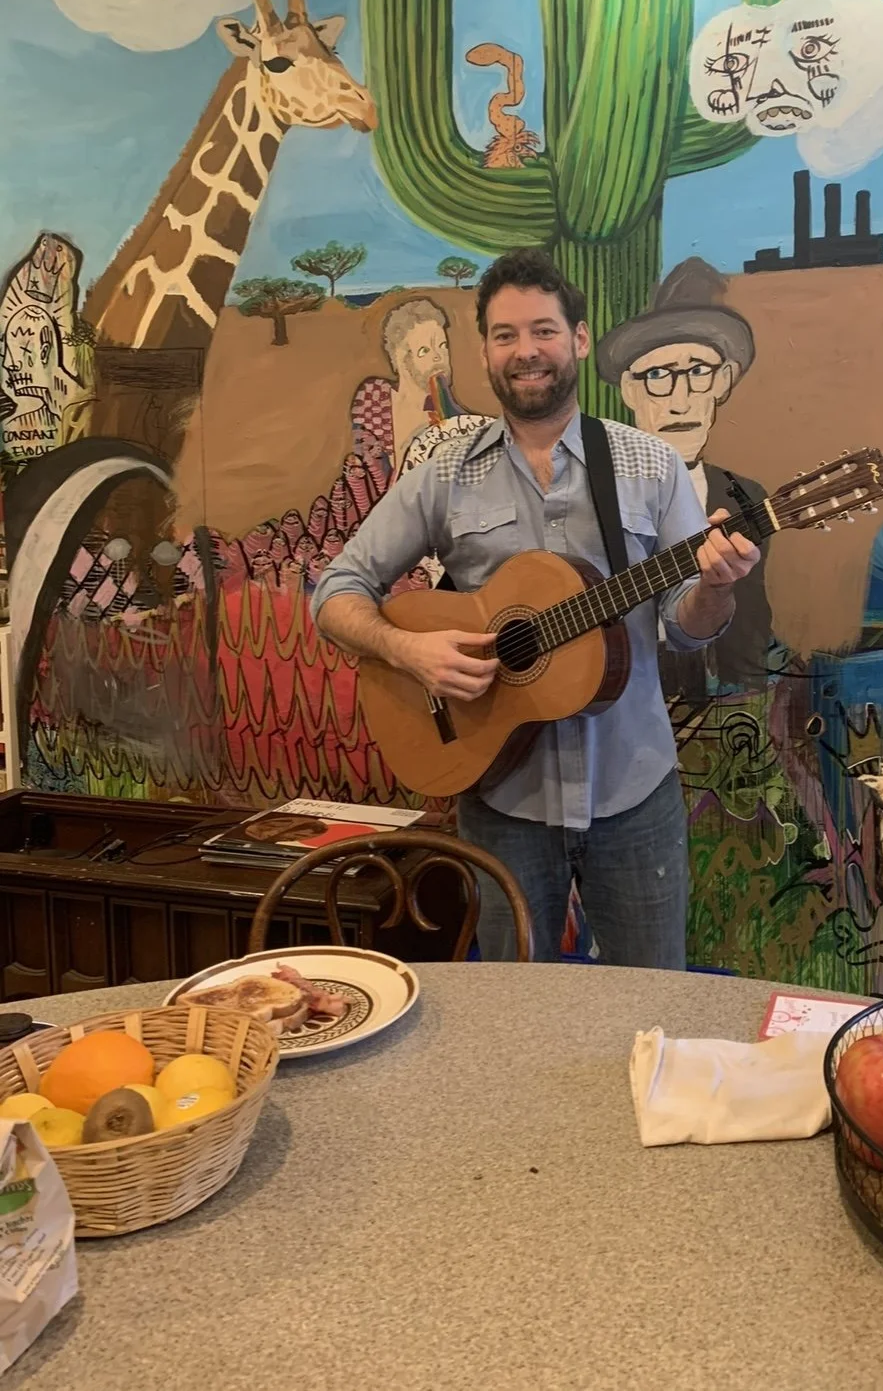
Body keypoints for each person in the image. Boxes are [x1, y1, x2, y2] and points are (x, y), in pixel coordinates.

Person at [311, 247, 761, 967]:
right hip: (502, 803)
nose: (526, 351)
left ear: (577, 339)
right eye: (506, 335)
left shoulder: (650, 465)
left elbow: (684, 627)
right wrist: (409, 650)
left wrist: (715, 586)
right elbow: (336, 592)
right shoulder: (444, 474)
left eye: (543, 330)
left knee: (651, 1001)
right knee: (514, 1011)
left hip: (632, 795)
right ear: (485, 352)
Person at [596, 257, 775, 695]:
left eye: (698, 372)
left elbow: (750, 628)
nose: (680, 401)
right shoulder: (592, 489)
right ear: (629, 389)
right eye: (658, 375)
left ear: (723, 381)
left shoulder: (745, 496)